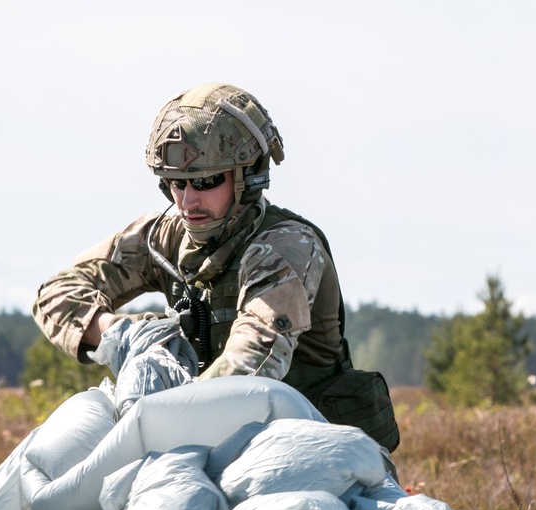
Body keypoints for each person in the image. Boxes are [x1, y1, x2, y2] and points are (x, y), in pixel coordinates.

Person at [32, 83, 398, 450]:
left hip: (309, 456)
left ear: (247, 176)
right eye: (174, 183)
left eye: (205, 181)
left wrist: (157, 423)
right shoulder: (166, 237)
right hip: (212, 444)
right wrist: (120, 334)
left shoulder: (286, 248)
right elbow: (56, 294)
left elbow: (248, 371)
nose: (187, 200)